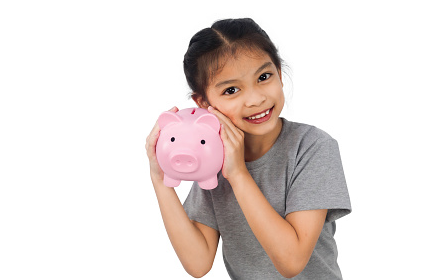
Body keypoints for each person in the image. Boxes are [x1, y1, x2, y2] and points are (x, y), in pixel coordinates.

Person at [146, 18, 352, 279]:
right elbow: (198, 263)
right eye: (231, 90)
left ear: (278, 71)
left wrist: (239, 175)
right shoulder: (213, 160)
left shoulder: (312, 147)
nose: (256, 99)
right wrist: (159, 177)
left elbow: (292, 261)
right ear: (203, 103)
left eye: (264, 77)